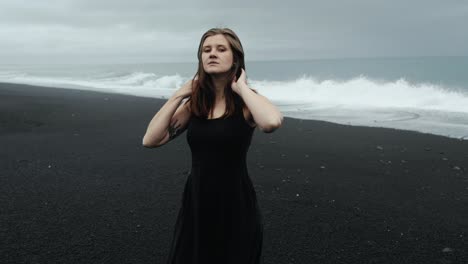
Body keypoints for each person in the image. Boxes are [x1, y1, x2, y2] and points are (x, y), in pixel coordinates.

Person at [142, 27, 283, 264]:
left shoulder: (247, 103)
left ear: (235, 57)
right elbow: (151, 140)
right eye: (206, 50)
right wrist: (177, 95)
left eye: (221, 49)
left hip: (235, 202)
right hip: (197, 201)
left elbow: (271, 122)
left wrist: (242, 88)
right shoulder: (196, 104)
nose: (212, 54)